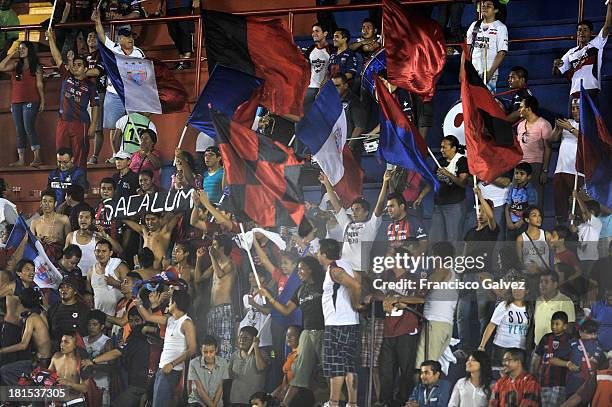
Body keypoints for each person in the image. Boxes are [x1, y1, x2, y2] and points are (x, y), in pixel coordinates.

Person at [257, 256, 325, 406]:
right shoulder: (300, 290)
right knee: (299, 371)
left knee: (328, 370)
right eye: (298, 269)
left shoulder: (323, 285)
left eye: (301, 269)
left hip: (323, 332)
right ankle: (285, 404)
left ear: (311, 269)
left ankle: (340, 400)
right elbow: (286, 310)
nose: (299, 272)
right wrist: (270, 297)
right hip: (307, 333)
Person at [92, 8, 146, 163]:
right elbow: (102, 37)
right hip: (113, 94)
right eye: (127, 37)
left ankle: (132, 155)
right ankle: (117, 155)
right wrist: (97, 21)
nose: (131, 39)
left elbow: (142, 75)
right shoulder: (113, 49)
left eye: (132, 37)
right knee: (114, 127)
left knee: (133, 126)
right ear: (120, 38)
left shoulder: (139, 53)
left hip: (132, 96)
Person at [81, 306, 158, 407]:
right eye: (130, 321)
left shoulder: (140, 335)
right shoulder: (142, 335)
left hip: (141, 385)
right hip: (143, 383)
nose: (133, 324)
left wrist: (93, 361)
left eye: (137, 320)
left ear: (145, 319)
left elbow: (117, 352)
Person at [378, 244, 425, 407]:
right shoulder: (385, 276)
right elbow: (377, 294)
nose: (386, 259)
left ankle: (403, 401)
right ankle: (385, 401)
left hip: (406, 330)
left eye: (390, 256)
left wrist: (398, 300)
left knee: (406, 370)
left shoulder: (412, 278)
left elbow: (421, 299)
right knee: (385, 371)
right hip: (387, 331)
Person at [48, 27, 99, 169]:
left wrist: (93, 125)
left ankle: (79, 186)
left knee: (79, 157)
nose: (76, 67)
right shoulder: (66, 76)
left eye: (79, 65)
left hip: (80, 123)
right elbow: (58, 58)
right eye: (74, 65)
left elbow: (95, 106)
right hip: (63, 122)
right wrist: (51, 39)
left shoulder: (90, 85)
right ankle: (63, 184)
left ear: (85, 68)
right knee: (61, 156)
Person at [317, 238, 360, 407]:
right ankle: (352, 403)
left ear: (325, 254)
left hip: (337, 324)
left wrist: (357, 304)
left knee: (336, 366)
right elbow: (360, 281)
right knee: (349, 366)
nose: (317, 254)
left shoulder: (334, 270)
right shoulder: (348, 265)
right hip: (351, 323)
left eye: (319, 251)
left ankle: (334, 403)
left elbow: (356, 286)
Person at [135, 288, 197, 407]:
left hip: (172, 371)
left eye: (170, 302)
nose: (168, 304)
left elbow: (192, 348)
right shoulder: (169, 319)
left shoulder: (186, 323)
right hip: (162, 368)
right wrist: (139, 304)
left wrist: (172, 364)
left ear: (175, 304)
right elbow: (148, 317)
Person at [319, 170, 387, 273]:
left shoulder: (371, 226)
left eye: (357, 209)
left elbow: (379, 205)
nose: (353, 212)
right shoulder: (347, 224)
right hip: (344, 271)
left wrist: (385, 182)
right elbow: (336, 204)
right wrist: (327, 184)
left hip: (360, 272)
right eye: (352, 209)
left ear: (366, 212)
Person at [458, 188, 499, 353]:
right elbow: (464, 254)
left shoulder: (492, 230)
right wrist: (460, 273)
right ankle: (464, 347)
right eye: (478, 210)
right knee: (463, 313)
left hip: (484, 275)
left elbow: (490, 217)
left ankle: (484, 348)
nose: (480, 213)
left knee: (484, 315)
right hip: (468, 275)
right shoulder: (470, 232)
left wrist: (480, 196)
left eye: (483, 210)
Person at [553, 2, 612, 104]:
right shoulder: (570, 52)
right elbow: (556, 72)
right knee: (571, 121)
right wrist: (555, 65)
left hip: (591, 91)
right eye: (579, 30)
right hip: (574, 94)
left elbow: (607, 27)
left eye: (585, 30)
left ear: (591, 33)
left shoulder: (596, 45)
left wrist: (610, 5)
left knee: (590, 120)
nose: (581, 32)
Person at [0, 41, 44, 166]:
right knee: (19, 130)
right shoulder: (15, 65)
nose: (21, 50)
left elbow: (39, 85)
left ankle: (37, 157)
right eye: (20, 49)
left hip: (31, 100)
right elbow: (1, 67)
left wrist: (43, 100)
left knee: (28, 127)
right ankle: (21, 160)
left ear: (30, 49)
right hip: (16, 102)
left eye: (24, 48)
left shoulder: (36, 66)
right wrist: (12, 54)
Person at [414, 242, 458, 368]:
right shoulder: (453, 273)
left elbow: (423, 291)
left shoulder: (442, 270)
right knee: (430, 366)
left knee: (422, 367)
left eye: (432, 256)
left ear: (437, 257)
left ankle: (422, 389)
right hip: (445, 324)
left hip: (435, 324)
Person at [195, 233, 237, 360]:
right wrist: (198, 259)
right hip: (212, 310)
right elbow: (198, 278)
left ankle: (226, 378)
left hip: (225, 310)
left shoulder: (230, 264)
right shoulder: (215, 265)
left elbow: (219, 274)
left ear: (222, 248)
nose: (211, 248)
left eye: (214, 245)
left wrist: (212, 256)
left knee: (225, 346)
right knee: (211, 346)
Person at [0, 288, 51, 385]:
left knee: (5, 370)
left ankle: (22, 398)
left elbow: (23, 345)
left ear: (22, 303)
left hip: (40, 363)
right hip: (44, 359)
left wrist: (2, 350)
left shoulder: (32, 318)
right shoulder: (40, 314)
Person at [479, 282, 529, 369]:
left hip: (520, 349)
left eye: (520, 288)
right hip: (502, 347)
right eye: (515, 287)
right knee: (500, 377)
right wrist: (482, 346)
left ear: (527, 291)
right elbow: (491, 325)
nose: (517, 290)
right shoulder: (504, 305)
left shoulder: (530, 307)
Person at [431, 135, 469, 244]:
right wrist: (421, 196)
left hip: (454, 205)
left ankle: (455, 261)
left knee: (453, 238)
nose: (441, 150)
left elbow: (463, 183)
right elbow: (433, 181)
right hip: (438, 205)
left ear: (454, 148)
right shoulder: (440, 161)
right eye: (441, 147)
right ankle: (440, 260)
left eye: (444, 147)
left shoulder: (462, 161)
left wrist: (448, 174)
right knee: (437, 239)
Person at [464, 0, 508, 92]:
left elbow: (502, 53)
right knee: (469, 103)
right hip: (472, 72)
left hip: (488, 72)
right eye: (483, 6)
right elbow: (466, 49)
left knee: (486, 102)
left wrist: (490, 73)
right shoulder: (474, 25)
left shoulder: (500, 27)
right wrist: (462, 70)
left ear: (496, 10)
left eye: (488, 6)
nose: (484, 7)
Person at [550, 98, 582, 223]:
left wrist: (570, 129)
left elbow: (588, 142)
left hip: (577, 171)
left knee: (578, 205)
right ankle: (561, 230)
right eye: (573, 108)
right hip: (560, 169)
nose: (574, 111)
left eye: (578, 108)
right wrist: (557, 128)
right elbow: (552, 139)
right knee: (560, 206)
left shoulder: (589, 124)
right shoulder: (567, 122)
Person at [517, 96, 552, 207]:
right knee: (518, 200)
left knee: (535, 201)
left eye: (521, 107)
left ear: (529, 109)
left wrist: (545, 170)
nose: (519, 110)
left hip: (535, 167)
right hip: (520, 166)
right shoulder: (520, 125)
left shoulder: (544, 125)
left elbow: (548, 148)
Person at [531, 311, 572, 407]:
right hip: (544, 381)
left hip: (560, 382)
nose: (554, 326)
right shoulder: (545, 338)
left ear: (565, 326)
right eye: (552, 323)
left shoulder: (569, 340)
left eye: (557, 324)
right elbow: (538, 356)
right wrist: (534, 373)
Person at [228, 326, 270, 406]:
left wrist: (256, 347)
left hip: (254, 401)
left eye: (246, 338)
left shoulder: (262, 354)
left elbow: (261, 368)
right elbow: (229, 375)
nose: (242, 340)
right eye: (240, 337)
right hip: (235, 400)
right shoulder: (234, 355)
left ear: (254, 340)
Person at [566, 320, 606, 399]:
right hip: (591, 389)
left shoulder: (571, 344)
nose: (593, 336)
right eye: (590, 333)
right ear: (580, 333)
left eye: (594, 333)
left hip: (573, 387)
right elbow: (603, 368)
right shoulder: (600, 347)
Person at [534, 272, 576, 347]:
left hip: (555, 347)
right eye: (541, 282)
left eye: (546, 282)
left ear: (555, 285)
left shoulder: (565, 301)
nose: (542, 285)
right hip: (538, 347)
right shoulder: (538, 300)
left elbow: (569, 327)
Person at [87, 239, 128, 315]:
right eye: (98, 251)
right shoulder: (91, 270)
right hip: (100, 318)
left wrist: (115, 283)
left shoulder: (120, 267)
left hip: (118, 316)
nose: (100, 254)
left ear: (110, 253)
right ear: (94, 252)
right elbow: (89, 294)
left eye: (104, 251)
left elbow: (131, 290)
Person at [84, 29, 107, 165]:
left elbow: (97, 71)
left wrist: (80, 72)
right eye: (89, 36)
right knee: (85, 126)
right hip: (84, 93)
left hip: (98, 91)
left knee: (97, 127)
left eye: (94, 36)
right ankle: (84, 155)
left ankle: (94, 156)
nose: (91, 38)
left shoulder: (102, 55)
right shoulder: (84, 56)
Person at [48, 332, 89, 406]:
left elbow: (85, 388)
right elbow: (48, 377)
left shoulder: (81, 361)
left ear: (75, 345)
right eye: (62, 341)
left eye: (66, 342)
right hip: (57, 403)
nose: (62, 344)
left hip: (75, 402)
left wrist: (69, 383)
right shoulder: (56, 357)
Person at [187, 335, 229, 407]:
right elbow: (200, 389)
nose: (208, 355)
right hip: (198, 402)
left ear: (216, 349)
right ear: (201, 350)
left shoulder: (223, 363)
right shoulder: (194, 363)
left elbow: (220, 387)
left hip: (216, 402)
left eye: (211, 352)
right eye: (205, 352)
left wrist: (214, 405)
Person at [331, 73, 367, 157]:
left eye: (337, 86)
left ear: (345, 86)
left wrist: (349, 146)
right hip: (335, 146)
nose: (334, 89)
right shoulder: (332, 101)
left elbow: (359, 126)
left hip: (349, 148)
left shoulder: (354, 101)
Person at [158, 0, 200, 70]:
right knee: (173, 31)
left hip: (185, 4)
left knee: (184, 29)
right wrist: (161, 3)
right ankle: (181, 58)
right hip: (170, 5)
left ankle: (186, 60)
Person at [82, 309, 112, 406]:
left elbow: (111, 367)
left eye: (95, 324)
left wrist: (93, 365)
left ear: (102, 326)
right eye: (89, 324)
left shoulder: (107, 342)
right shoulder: (83, 340)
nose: (91, 327)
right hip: (85, 384)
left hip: (101, 384)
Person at [30, 190, 71, 259]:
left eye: (50, 201)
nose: (47, 204)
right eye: (44, 201)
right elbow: (30, 244)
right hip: (41, 259)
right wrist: (38, 239)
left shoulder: (64, 219)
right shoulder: (34, 222)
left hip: (59, 258)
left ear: (55, 204)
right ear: (41, 203)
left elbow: (70, 241)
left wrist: (57, 240)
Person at [570, 192, 603, 276]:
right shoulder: (582, 225)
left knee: (588, 282)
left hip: (591, 260)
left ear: (591, 212)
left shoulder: (597, 223)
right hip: (581, 258)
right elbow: (573, 229)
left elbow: (585, 212)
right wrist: (571, 220)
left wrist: (577, 197)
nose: (582, 214)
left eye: (583, 212)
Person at [303, 22, 333, 112]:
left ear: (325, 33)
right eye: (313, 31)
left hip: (326, 89)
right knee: (304, 116)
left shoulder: (332, 49)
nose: (314, 34)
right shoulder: (311, 49)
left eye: (317, 31)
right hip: (311, 88)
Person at [505, 163, 538, 241]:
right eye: (516, 173)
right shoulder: (512, 187)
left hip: (523, 224)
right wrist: (508, 222)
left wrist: (520, 222)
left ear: (529, 177)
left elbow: (532, 209)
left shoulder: (530, 190)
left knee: (522, 246)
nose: (518, 176)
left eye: (522, 174)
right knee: (510, 246)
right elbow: (508, 206)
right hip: (511, 223)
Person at [516, 206, 551, 273]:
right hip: (529, 276)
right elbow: (520, 260)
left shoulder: (547, 235)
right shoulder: (520, 239)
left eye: (539, 215)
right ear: (527, 219)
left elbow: (553, 256)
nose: (538, 218)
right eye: (534, 215)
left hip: (544, 274)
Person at [65, 207, 98, 278]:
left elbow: (119, 250)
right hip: (74, 278)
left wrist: (106, 236)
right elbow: (65, 257)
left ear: (92, 220)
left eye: (87, 217)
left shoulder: (97, 237)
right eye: (81, 217)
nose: (83, 220)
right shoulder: (70, 236)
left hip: (93, 277)